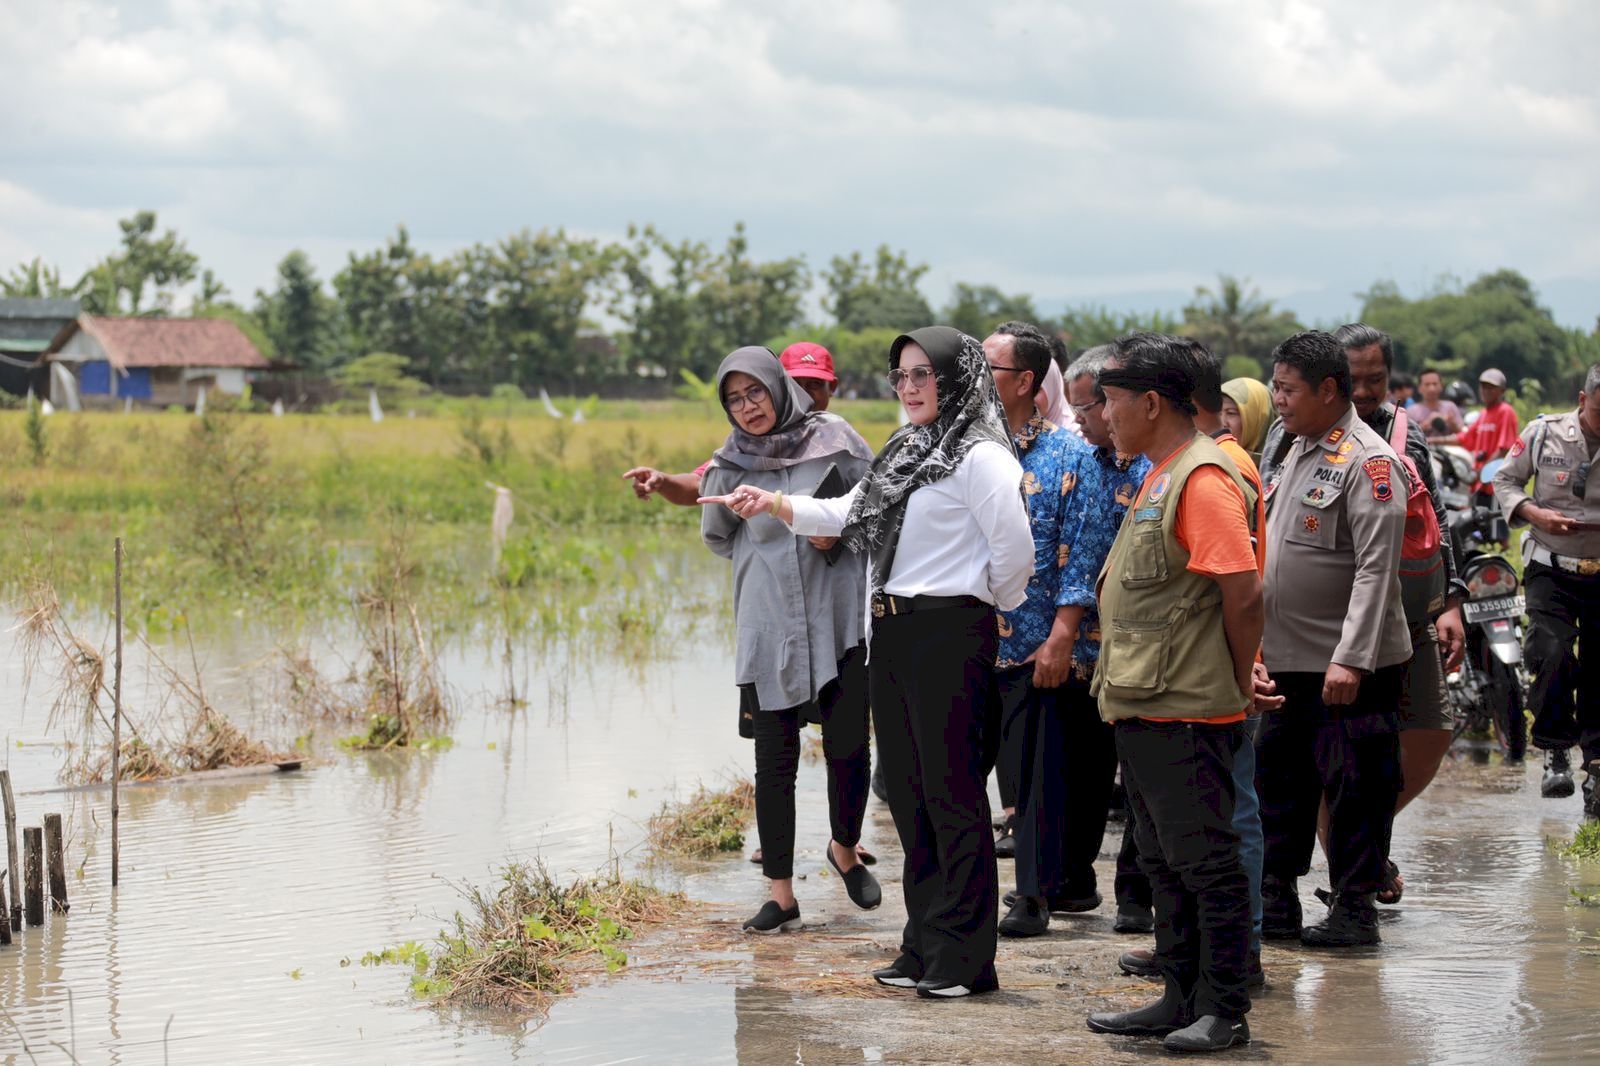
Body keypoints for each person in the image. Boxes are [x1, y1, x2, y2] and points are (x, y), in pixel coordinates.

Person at [703, 326, 1032, 998]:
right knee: (910, 798)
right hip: (892, 634)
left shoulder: (981, 458)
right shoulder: (906, 450)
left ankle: (966, 961)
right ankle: (923, 943)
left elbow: (1015, 558)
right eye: (900, 377)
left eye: (922, 375)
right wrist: (773, 503)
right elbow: (850, 510)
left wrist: (972, 602)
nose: (909, 388)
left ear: (958, 379)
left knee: (953, 797)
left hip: (949, 631)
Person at [1083, 332, 1261, 1054]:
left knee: (1207, 863)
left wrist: (1240, 679)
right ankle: (1179, 996)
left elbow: (1242, 595)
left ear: (1152, 402)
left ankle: (1224, 1009)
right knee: (1162, 862)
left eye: (1112, 399)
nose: (1105, 413)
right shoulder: (1161, 471)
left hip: (1189, 708)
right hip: (1146, 703)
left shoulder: (1203, 477)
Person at [700, 347, 880, 933]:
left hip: (837, 619)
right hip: (769, 623)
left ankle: (845, 850)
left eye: (755, 392)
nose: (747, 407)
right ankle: (781, 894)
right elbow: (719, 536)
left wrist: (837, 538)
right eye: (734, 398)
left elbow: (879, 513)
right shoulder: (730, 461)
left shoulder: (839, 440)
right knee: (773, 760)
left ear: (779, 388)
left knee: (849, 745)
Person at [1254, 330, 1411, 948]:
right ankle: (1278, 899)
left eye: (1288, 389)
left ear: (1327, 390)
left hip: (1350, 667)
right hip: (1289, 659)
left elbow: (1378, 567)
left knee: (1358, 786)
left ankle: (1354, 908)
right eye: (1275, 387)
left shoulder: (1370, 462)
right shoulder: (1293, 446)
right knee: (1281, 782)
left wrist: (1350, 658)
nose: (1278, 399)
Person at [982, 324, 1117, 938]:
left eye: (991, 369)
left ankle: (1032, 897)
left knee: (1038, 777)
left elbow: (1084, 548)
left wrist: (1063, 633)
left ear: (1027, 383)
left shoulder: (1069, 455)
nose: (977, 379)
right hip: (971, 640)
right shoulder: (967, 454)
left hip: (1038, 645)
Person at [1332, 323, 1468, 903]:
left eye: (1376, 379)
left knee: (1431, 728)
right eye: (1352, 379)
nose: (1364, 391)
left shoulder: (1406, 434)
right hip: (1335, 618)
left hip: (1406, 611)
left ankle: (1363, 842)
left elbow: (1433, 517)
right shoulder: (1301, 435)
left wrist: (1451, 601)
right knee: (1346, 750)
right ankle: (1356, 873)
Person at [1493, 364, 1600, 816]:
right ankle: (1556, 749)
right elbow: (1504, 479)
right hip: (1550, 566)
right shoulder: (1544, 433)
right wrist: (1536, 515)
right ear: (1582, 400)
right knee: (1551, 650)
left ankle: (1596, 765)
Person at [626, 343, 846, 504]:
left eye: (814, 384)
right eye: (794, 384)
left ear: (832, 388)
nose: (804, 394)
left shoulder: (844, 442)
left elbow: (870, 505)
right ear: (779, 388)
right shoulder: (747, 448)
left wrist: (836, 529)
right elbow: (699, 486)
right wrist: (663, 481)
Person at [1443, 368, 1521, 469]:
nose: (1486, 391)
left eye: (1491, 388)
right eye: (1483, 387)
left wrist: (1483, 472)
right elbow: (1464, 438)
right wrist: (1430, 441)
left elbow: (1504, 450)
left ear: (1502, 391)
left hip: (1497, 480)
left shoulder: (1505, 411)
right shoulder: (1483, 414)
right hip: (1481, 480)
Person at [1408, 366, 1465, 441]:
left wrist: (1452, 424)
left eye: (1435, 384)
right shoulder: (1412, 411)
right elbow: (1408, 437)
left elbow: (1463, 435)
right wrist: (1424, 425)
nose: (1432, 388)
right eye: (1427, 384)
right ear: (1419, 388)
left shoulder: (1450, 407)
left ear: (1441, 386)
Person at [1220, 377, 1272, 457]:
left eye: (1231, 413)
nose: (1222, 422)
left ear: (1255, 420)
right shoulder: (1205, 459)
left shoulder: (1287, 463)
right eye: (1218, 413)